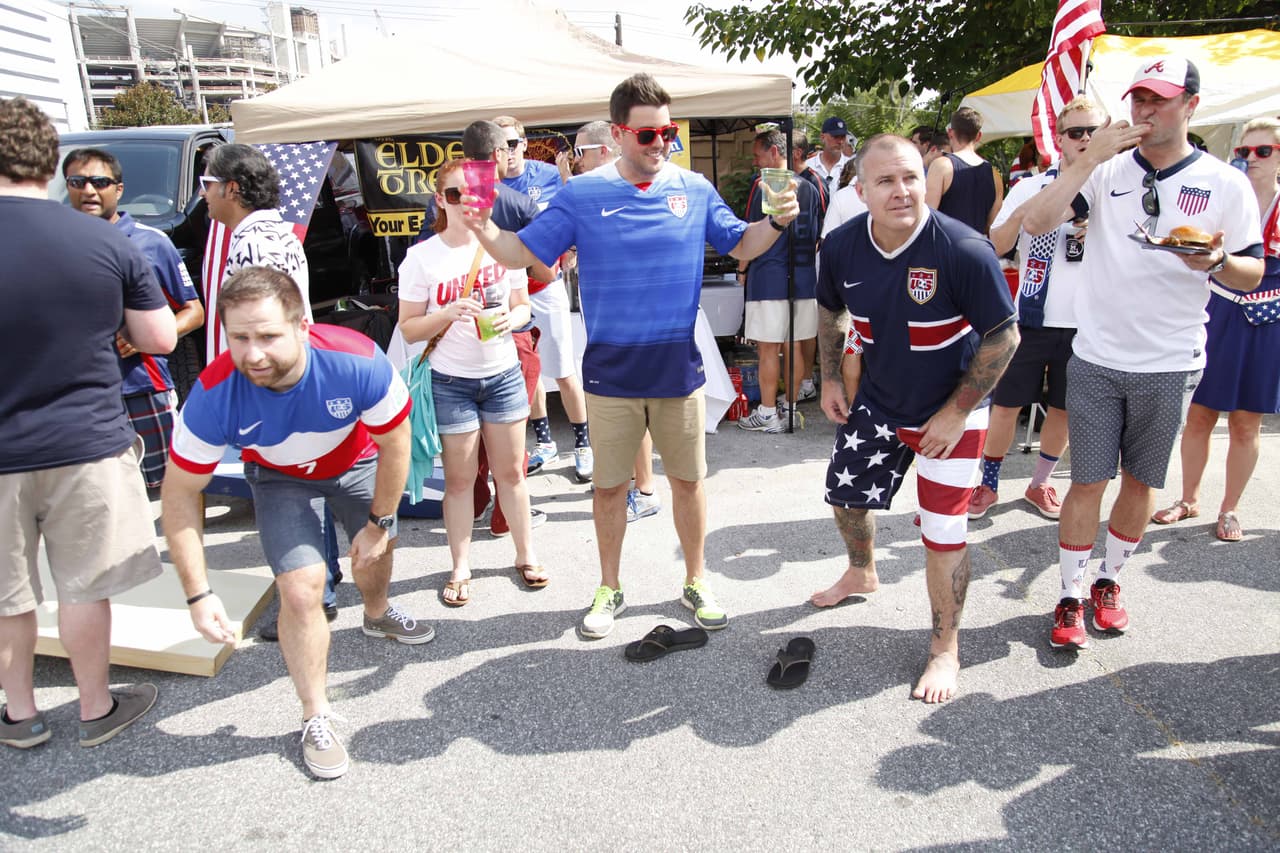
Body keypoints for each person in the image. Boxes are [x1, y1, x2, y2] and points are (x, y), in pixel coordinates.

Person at [461, 73, 800, 639]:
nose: (662, 143)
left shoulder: (692, 188)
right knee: (609, 488)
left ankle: (695, 579)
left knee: (689, 482)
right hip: (611, 373)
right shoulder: (582, 194)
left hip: (677, 368)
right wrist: (481, 225)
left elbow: (742, 243)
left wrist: (777, 223)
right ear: (618, 135)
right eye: (648, 135)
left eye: (668, 132)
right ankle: (610, 586)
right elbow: (519, 252)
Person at [1018, 57, 1264, 650]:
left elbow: (1251, 272)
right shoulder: (1104, 171)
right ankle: (1071, 593)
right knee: (1087, 482)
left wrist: (1216, 263)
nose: (1145, 111)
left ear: (1190, 106)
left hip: (1173, 359)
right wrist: (1088, 158)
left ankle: (1110, 580)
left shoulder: (1224, 183)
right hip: (1099, 355)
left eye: (1159, 100)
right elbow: (1037, 221)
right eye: (1138, 100)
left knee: (1139, 481)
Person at [163, 266, 431, 779]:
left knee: (376, 552)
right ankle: (315, 714)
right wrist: (198, 594)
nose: (252, 353)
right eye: (238, 337)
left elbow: (396, 440)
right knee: (303, 591)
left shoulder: (353, 359)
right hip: (279, 476)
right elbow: (178, 494)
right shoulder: (216, 390)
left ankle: (377, 614)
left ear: (302, 327)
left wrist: (379, 521)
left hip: (356, 462)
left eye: (267, 336)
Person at [812, 134, 1019, 704]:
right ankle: (862, 572)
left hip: (951, 408)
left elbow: (1005, 335)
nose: (903, 191)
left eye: (911, 177)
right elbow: (830, 308)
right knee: (845, 497)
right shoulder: (842, 246)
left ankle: (944, 649)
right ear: (861, 191)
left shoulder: (962, 248)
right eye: (886, 181)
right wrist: (831, 377)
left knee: (943, 534)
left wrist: (957, 414)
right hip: (878, 400)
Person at [0, 97, 176, 750]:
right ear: (51, 166)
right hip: (86, 439)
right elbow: (158, 338)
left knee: (7, 594)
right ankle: (95, 706)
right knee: (83, 585)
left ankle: (19, 715)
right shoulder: (104, 239)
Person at [202, 143, 343, 638]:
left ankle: (312, 597)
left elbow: (256, 326)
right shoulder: (279, 233)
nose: (204, 196)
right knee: (305, 478)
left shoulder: (249, 244)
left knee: (284, 487)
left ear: (231, 189)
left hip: (269, 379)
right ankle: (323, 582)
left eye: (207, 184)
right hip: (294, 368)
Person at [397, 159, 547, 605]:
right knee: (460, 481)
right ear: (440, 200)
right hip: (450, 381)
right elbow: (407, 328)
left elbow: (523, 307)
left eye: (473, 193)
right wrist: (443, 314)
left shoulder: (504, 246)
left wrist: (512, 317)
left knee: (512, 474)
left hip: (501, 374)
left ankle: (527, 554)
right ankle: (461, 566)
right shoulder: (420, 257)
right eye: (455, 194)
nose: (466, 202)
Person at [967, 97, 1105, 521]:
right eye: (1075, 132)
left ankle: (1040, 482)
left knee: (1062, 408)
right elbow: (1000, 244)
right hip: (1032, 314)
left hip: (1088, 321)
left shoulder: (1113, 185)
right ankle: (987, 484)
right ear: (1059, 139)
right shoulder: (1030, 185)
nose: (1084, 139)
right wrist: (1035, 207)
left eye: (1092, 131)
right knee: (1007, 404)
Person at [1152, 116, 1280, 541]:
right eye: (1245, 151)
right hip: (1216, 310)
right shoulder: (1226, 193)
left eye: (1264, 151)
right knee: (1199, 414)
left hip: (1266, 323)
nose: (1252, 159)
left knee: (1246, 422)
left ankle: (1231, 508)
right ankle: (1188, 498)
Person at [62, 147, 205, 489]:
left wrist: (149, 334)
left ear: (118, 189)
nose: (89, 190)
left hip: (143, 386)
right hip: (79, 395)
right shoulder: (54, 243)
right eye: (77, 181)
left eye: (99, 181)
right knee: (97, 497)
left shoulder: (151, 243)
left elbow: (194, 312)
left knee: (169, 489)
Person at [565, 121, 661, 523]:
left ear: (603, 151)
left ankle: (629, 494)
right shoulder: (617, 189)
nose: (574, 159)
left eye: (580, 151)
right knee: (632, 404)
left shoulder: (601, 193)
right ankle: (644, 487)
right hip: (630, 317)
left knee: (617, 406)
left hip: (621, 323)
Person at [498, 116, 593, 482]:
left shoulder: (546, 175)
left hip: (544, 285)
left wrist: (571, 247)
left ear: (523, 143)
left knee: (564, 367)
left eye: (511, 143)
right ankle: (544, 443)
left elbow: (571, 212)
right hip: (507, 290)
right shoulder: (489, 184)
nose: (505, 152)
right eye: (499, 145)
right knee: (528, 368)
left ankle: (583, 444)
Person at [737, 128, 824, 431]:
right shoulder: (811, 188)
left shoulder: (763, 184)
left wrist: (742, 269)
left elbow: (750, 234)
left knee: (768, 350)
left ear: (774, 153)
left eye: (757, 154)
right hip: (803, 278)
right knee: (795, 347)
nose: (754, 161)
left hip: (768, 277)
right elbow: (817, 236)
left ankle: (767, 411)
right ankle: (790, 409)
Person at [926, 107, 1004, 234]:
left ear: (950, 133)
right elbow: (993, 224)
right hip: (977, 248)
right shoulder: (995, 175)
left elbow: (927, 217)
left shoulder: (941, 166)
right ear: (979, 136)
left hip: (945, 248)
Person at [806, 117, 852, 190]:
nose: (840, 142)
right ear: (822, 137)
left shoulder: (852, 167)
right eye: (835, 137)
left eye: (843, 137)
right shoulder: (808, 167)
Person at [790, 130, 830, 212]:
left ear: (797, 153)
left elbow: (824, 218)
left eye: (783, 151)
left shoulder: (815, 182)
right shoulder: (786, 178)